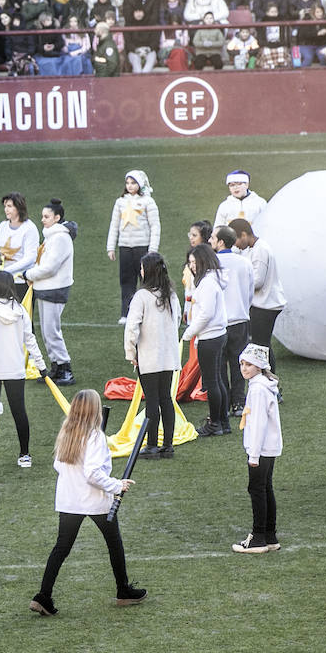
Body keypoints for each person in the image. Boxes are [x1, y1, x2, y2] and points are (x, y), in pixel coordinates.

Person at [29, 389, 146, 616]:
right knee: (114, 542)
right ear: (95, 410)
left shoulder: (67, 432)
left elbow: (58, 466)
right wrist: (116, 485)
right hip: (93, 500)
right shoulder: (95, 436)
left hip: (69, 499)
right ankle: (123, 590)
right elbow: (92, 474)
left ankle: (43, 595)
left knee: (61, 548)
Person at [0, 270, 47, 470]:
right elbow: (30, 340)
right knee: (19, 412)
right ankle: (25, 455)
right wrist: (41, 366)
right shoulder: (20, 310)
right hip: (15, 370)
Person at [124, 253, 182, 460]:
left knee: (152, 401)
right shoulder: (171, 295)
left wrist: (131, 352)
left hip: (148, 357)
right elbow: (177, 321)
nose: (140, 271)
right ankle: (167, 446)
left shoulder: (142, 297)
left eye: (142, 268)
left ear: (147, 271)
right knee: (166, 398)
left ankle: (151, 446)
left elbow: (132, 327)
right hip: (168, 357)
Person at [233, 345, 282, 553]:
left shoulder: (258, 389)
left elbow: (259, 423)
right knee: (265, 488)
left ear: (260, 366)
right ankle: (270, 535)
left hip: (261, 449)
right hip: (267, 447)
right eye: (242, 363)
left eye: (249, 364)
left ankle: (259, 537)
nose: (244, 368)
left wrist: (253, 454)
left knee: (257, 490)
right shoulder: (261, 385)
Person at [25, 199, 77, 386]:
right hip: (46, 288)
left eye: (46, 216)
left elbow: (50, 267)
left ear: (57, 217)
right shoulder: (52, 236)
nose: (42, 220)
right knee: (47, 331)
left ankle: (65, 369)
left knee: (51, 330)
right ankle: (56, 367)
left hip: (54, 289)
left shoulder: (60, 238)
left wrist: (28, 274)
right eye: (42, 216)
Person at [182, 245, 231, 437]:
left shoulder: (208, 283)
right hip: (213, 335)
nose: (192, 266)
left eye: (195, 262)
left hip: (210, 337)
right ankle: (223, 422)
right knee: (216, 380)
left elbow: (206, 313)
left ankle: (215, 423)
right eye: (190, 262)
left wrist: (190, 332)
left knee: (212, 382)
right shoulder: (210, 280)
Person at [105, 170, 161, 324]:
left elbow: (155, 226)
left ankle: (149, 312)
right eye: (128, 183)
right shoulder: (120, 202)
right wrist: (111, 247)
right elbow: (114, 225)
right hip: (125, 247)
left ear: (140, 184)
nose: (130, 186)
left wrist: (152, 249)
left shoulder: (148, 202)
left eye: (133, 183)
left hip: (142, 247)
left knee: (147, 280)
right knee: (126, 281)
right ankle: (126, 312)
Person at [231, 219, 285, 374]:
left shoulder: (260, 250)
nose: (236, 245)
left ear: (244, 234)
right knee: (263, 345)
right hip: (264, 303)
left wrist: (237, 284)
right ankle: (270, 383)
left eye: (236, 240)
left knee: (261, 346)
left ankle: (270, 384)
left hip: (265, 304)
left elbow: (258, 281)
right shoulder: (255, 248)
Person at [214, 226, 255, 415]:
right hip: (240, 319)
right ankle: (239, 402)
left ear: (221, 242)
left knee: (220, 365)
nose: (211, 241)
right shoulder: (244, 262)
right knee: (240, 364)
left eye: (214, 238)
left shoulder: (212, 262)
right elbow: (250, 291)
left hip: (219, 322)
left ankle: (224, 404)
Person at [0, 192, 38, 300]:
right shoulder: (2, 226)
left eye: (10, 206)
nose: (6, 209)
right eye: (5, 206)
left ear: (19, 207)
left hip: (20, 281)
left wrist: (7, 271)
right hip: (2, 280)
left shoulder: (29, 228)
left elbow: (30, 258)